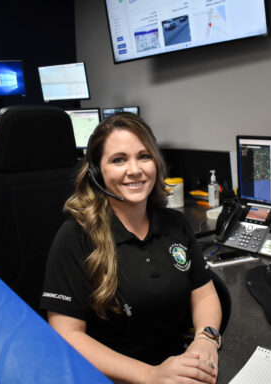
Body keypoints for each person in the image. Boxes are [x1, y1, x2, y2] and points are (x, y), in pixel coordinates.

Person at [41, 112, 222, 383]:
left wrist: (206, 339)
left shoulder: (175, 224)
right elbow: (66, 334)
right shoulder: (76, 236)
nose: (135, 169)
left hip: (177, 370)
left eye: (144, 156)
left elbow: (204, 294)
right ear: (96, 171)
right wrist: (150, 375)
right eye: (118, 160)